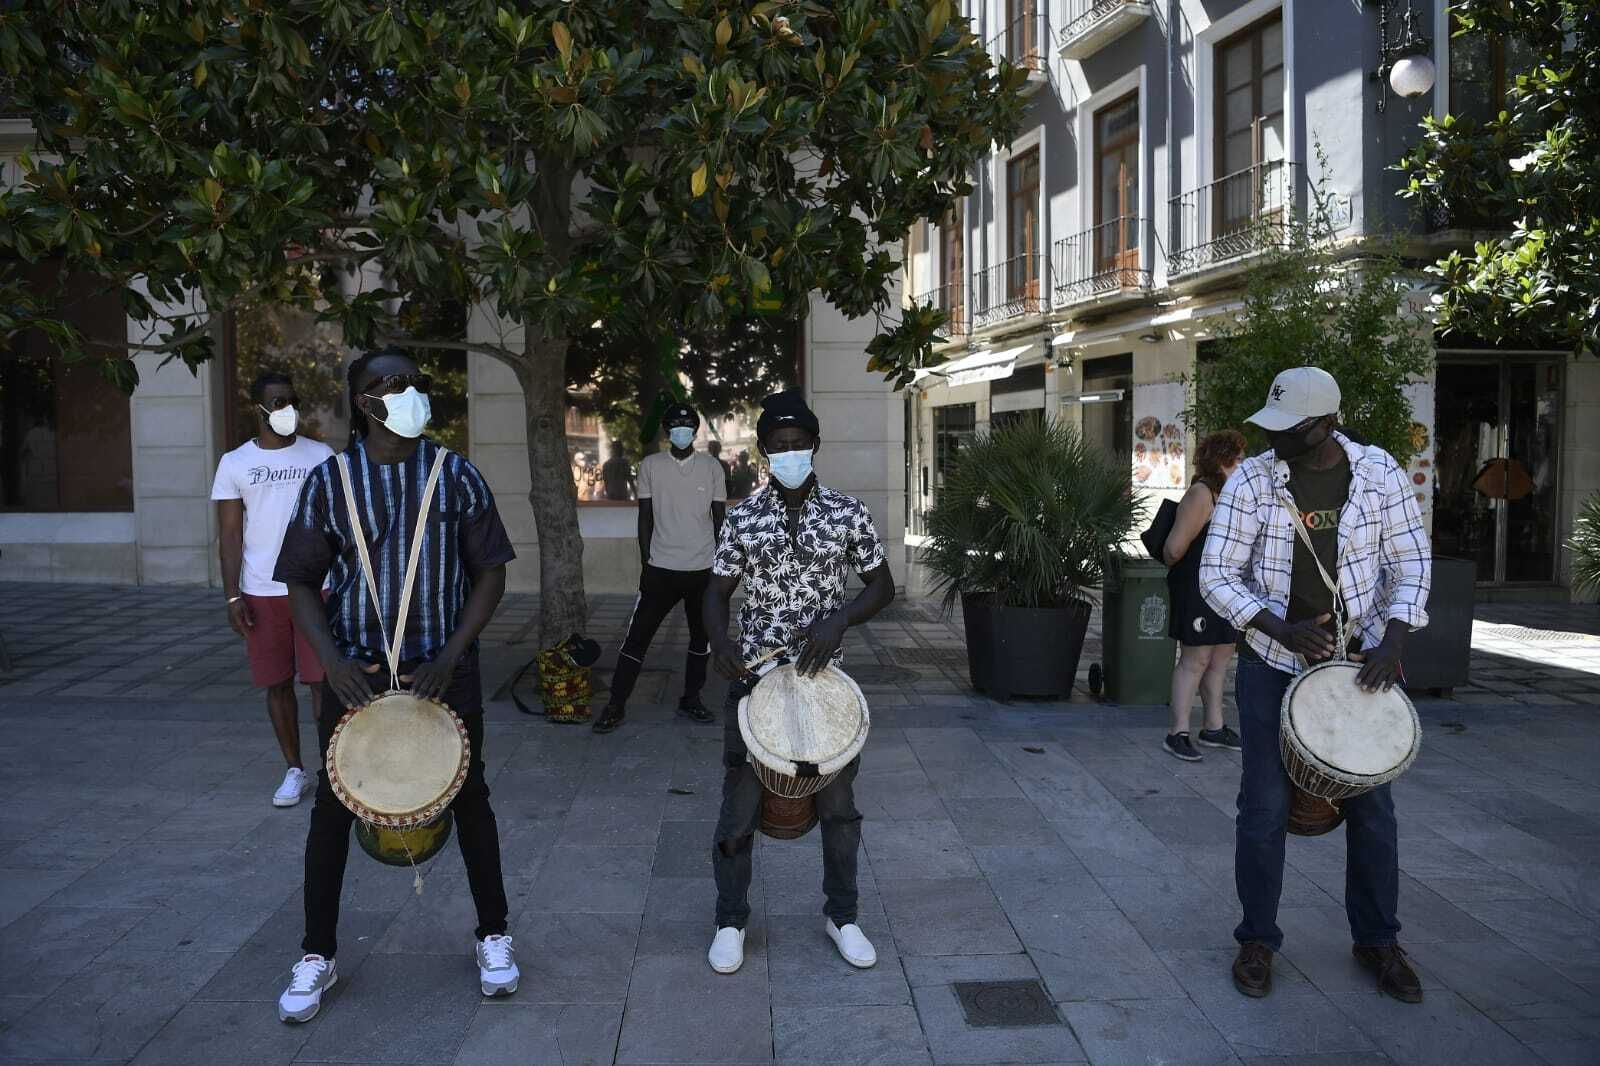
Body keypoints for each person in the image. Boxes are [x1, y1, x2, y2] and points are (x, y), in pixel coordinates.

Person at [272, 348, 520, 1023]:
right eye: (392, 384)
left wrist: (454, 654)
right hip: (355, 675)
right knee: (332, 810)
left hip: (443, 671)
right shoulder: (330, 482)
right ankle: (316, 953)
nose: (409, 393)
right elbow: (298, 579)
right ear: (363, 402)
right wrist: (329, 663)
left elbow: (491, 571)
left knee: (471, 800)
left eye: (415, 383)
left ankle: (493, 935)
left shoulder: (456, 475)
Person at [1200, 366, 1431, 1004]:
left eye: (1290, 429)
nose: (1275, 440)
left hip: (1361, 665)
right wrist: (1280, 626)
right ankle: (1256, 939)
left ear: (1327, 423)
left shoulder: (1379, 474)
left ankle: (1378, 939)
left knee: (1375, 812)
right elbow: (1216, 573)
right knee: (1265, 808)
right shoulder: (1253, 477)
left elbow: (1411, 563)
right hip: (1273, 663)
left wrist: (1395, 641)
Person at [703, 390, 895, 976]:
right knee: (738, 812)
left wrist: (840, 619)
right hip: (756, 685)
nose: (790, 453)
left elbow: (881, 586)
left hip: (824, 686)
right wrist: (721, 643)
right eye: (779, 446)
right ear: (764, 451)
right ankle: (731, 921)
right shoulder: (744, 517)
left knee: (840, 811)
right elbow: (715, 594)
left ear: (815, 446)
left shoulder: (847, 512)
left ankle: (843, 915)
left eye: (800, 444)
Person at [211, 372, 333, 807]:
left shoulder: (321, 455)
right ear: (257, 408)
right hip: (262, 590)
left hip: (316, 587)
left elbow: (339, 522)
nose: (287, 409)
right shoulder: (234, 463)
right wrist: (231, 596)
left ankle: (333, 772)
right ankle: (294, 770)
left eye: (292, 400)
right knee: (277, 683)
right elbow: (229, 535)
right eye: (278, 401)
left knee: (323, 682)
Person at [592, 403, 726, 734]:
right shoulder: (650, 465)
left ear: (696, 431)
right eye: (675, 425)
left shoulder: (712, 467)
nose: (682, 429)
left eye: (687, 424)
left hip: (703, 568)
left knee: (701, 639)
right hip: (661, 569)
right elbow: (645, 517)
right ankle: (615, 705)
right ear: (667, 431)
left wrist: (723, 567)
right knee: (636, 639)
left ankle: (691, 699)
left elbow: (721, 519)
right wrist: (645, 562)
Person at [1161, 430, 1247, 762]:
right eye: (1236, 458)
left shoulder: (1229, 494)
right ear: (1221, 461)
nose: (1241, 464)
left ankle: (1214, 725)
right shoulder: (1202, 494)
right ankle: (1177, 731)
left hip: (1226, 589)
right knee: (1194, 660)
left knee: (1220, 658)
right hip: (1197, 589)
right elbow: (1174, 548)